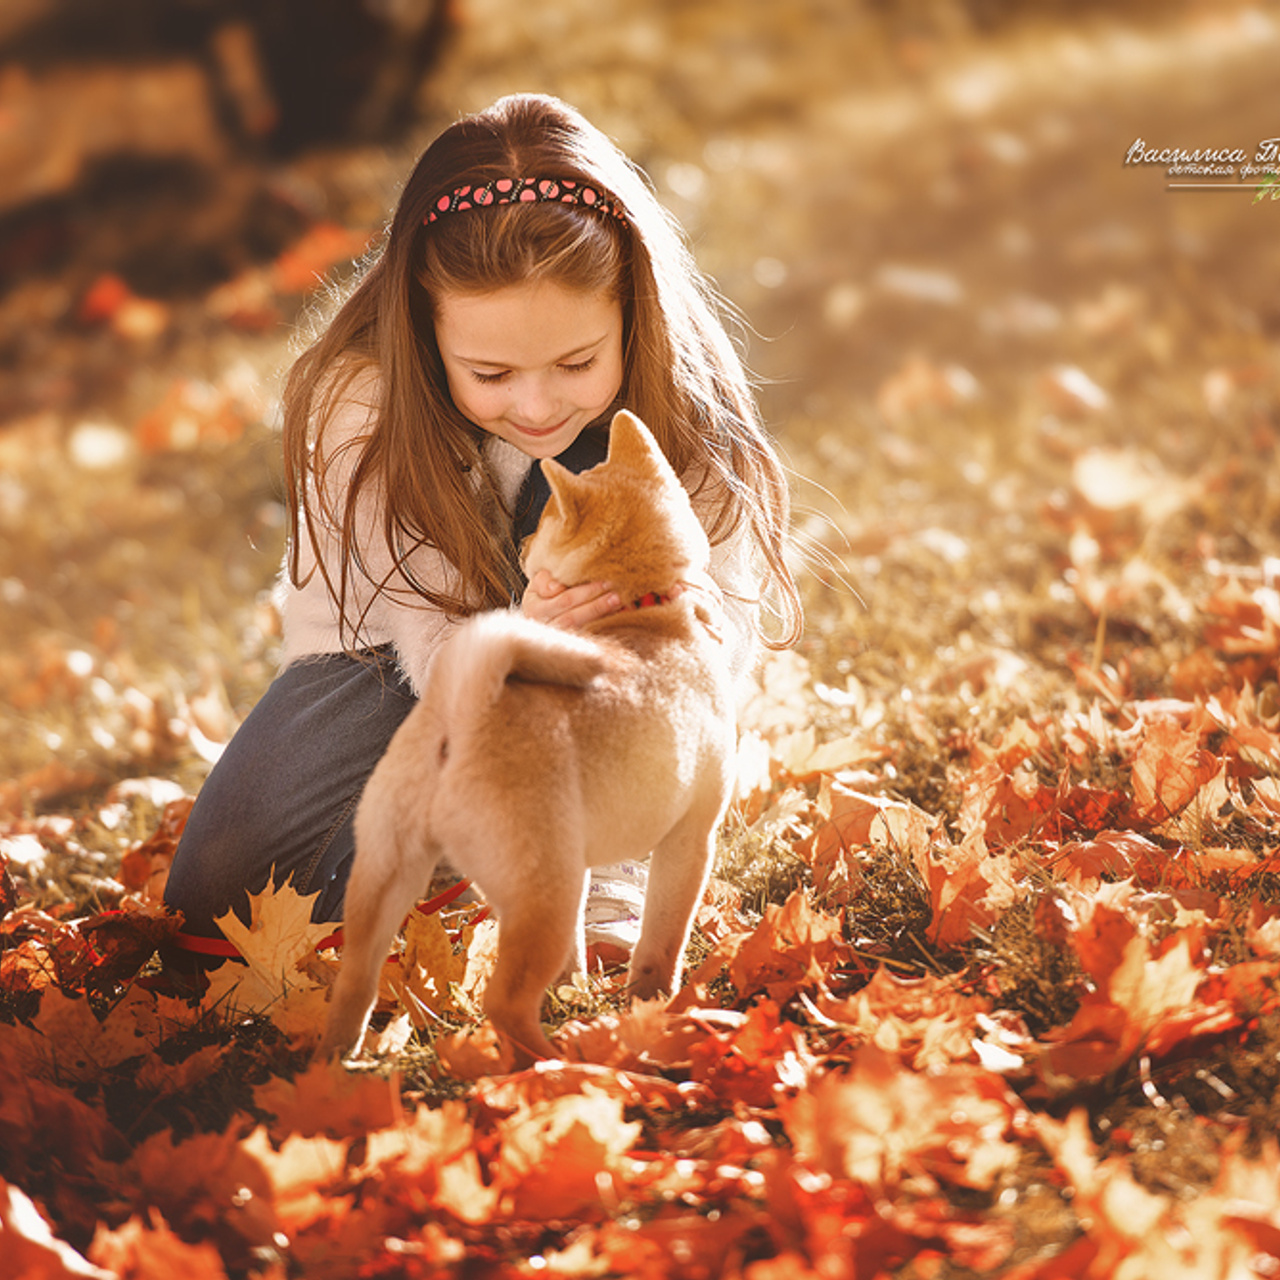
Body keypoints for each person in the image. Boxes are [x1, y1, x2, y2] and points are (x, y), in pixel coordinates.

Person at [162, 92, 802, 972]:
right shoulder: (359, 405)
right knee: (213, 907)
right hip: (385, 669)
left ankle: (594, 861)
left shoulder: (679, 407)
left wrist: (635, 663)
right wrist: (529, 645)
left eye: (577, 362)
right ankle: (479, 850)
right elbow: (426, 640)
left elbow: (710, 640)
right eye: (491, 372)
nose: (536, 405)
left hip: (622, 689)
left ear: (632, 315)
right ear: (425, 334)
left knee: (595, 457)